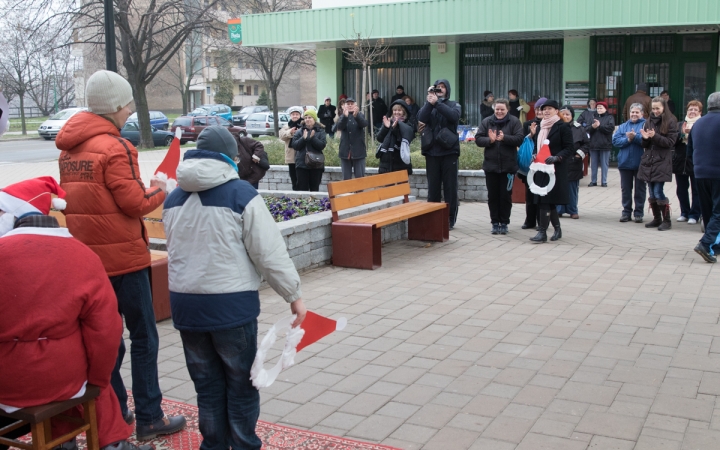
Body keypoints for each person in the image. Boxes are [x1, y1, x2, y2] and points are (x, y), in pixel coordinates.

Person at [55, 70, 186, 441]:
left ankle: (115, 415)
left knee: (105, 342)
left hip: (87, 261)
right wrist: (162, 188)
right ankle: (149, 417)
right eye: (128, 104)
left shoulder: (68, 148)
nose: (130, 110)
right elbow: (134, 204)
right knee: (144, 336)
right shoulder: (117, 147)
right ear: (114, 106)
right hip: (124, 261)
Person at [162, 125, 306, 449]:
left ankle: (213, 445)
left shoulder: (173, 198)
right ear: (232, 157)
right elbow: (268, 253)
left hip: (187, 309)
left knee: (207, 387)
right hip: (231, 308)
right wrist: (293, 295)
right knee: (241, 386)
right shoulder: (241, 194)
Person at [0, 177, 151, 450]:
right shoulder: (82, 256)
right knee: (94, 382)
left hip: (6, 380)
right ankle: (108, 444)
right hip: (61, 378)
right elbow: (106, 330)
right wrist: (98, 378)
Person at [475, 98, 524, 234]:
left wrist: (505, 138)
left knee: (505, 196)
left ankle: (505, 222)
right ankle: (495, 222)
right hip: (491, 166)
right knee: (493, 196)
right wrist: (489, 140)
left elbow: (520, 138)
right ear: (494, 109)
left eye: (502, 109)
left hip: (508, 167)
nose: (499, 111)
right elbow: (478, 139)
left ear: (507, 109)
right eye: (497, 109)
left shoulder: (514, 121)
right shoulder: (486, 122)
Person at [417, 79, 462, 229]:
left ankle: (450, 219)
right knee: (433, 187)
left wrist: (437, 103)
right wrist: (429, 102)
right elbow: (421, 118)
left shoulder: (454, 104)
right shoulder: (429, 105)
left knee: (450, 187)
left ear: (447, 90)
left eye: (442, 88)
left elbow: (453, 117)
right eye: (437, 88)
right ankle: (433, 217)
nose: (439, 90)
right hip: (432, 152)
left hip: (449, 151)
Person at [528, 100, 574, 243]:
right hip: (541, 169)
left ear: (556, 110)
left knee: (546, 200)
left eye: (549, 109)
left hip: (555, 169)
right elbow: (538, 146)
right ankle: (557, 229)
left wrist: (557, 157)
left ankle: (542, 232)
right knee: (546, 200)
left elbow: (569, 148)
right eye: (544, 109)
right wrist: (535, 153)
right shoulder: (541, 126)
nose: (546, 111)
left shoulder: (563, 126)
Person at [638, 96, 679, 231]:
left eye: (658, 108)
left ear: (663, 108)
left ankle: (666, 221)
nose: (655, 111)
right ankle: (657, 219)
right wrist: (644, 139)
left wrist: (654, 136)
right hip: (649, 159)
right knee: (651, 191)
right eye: (653, 108)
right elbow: (646, 143)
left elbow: (670, 143)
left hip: (662, 160)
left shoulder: (671, 121)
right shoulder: (648, 120)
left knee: (658, 191)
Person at [689, 91, 720, 263]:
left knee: (708, 211)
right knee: (719, 212)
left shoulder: (698, 123)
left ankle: (715, 246)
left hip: (700, 172)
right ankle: (706, 243)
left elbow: (690, 149)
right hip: (718, 172)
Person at [612, 103, 648, 223]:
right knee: (626, 189)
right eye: (632, 112)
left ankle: (638, 213)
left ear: (642, 114)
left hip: (641, 163)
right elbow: (615, 141)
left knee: (640, 189)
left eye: (637, 112)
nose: (634, 114)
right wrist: (628, 139)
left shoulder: (646, 125)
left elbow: (647, 141)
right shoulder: (623, 126)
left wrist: (635, 137)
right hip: (625, 163)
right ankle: (626, 212)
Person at [519, 97, 547, 229]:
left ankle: (542, 221)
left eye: (542, 109)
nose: (539, 111)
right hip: (530, 164)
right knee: (529, 194)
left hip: (544, 163)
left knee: (541, 194)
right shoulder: (528, 124)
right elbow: (523, 142)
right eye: (537, 109)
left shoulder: (550, 125)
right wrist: (531, 134)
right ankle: (529, 220)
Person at [556, 105, 589, 219]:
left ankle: (572, 209)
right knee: (559, 186)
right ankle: (559, 209)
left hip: (573, 161)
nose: (565, 116)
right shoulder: (556, 127)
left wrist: (579, 154)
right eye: (563, 114)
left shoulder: (579, 128)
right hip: (559, 160)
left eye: (567, 114)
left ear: (572, 116)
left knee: (572, 187)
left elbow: (587, 144)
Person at [673, 100, 702, 224]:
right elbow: (672, 141)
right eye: (690, 109)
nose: (692, 112)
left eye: (695, 110)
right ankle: (684, 212)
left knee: (696, 190)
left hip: (695, 162)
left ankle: (695, 214)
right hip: (680, 162)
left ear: (700, 112)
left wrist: (691, 135)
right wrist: (681, 134)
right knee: (681, 189)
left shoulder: (701, 125)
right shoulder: (680, 124)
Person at [291, 109, 327, 191]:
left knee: (315, 189)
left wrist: (312, 138)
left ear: (314, 119)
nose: (307, 119)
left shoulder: (320, 131)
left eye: (310, 117)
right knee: (302, 190)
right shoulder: (299, 131)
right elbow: (295, 146)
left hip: (316, 164)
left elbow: (321, 146)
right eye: (306, 117)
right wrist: (303, 139)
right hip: (301, 165)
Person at [376, 99, 415, 175]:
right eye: (395, 110)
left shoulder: (408, 125)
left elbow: (402, 139)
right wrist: (386, 128)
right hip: (386, 163)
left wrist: (394, 129)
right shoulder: (388, 122)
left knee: (401, 187)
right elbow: (379, 138)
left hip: (400, 163)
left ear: (404, 111)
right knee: (387, 187)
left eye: (399, 110)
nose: (396, 112)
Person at [336, 97, 367, 180]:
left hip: (359, 151)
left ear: (356, 105)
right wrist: (345, 117)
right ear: (344, 106)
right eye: (348, 104)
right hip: (345, 152)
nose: (350, 106)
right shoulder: (342, 116)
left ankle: (359, 193)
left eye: (352, 104)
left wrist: (356, 116)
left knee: (360, 180)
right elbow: (339, 127)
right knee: (346, 179)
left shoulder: (360, 115)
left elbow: (364, 124)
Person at [586, 101, 615, 187]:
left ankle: (604, 181)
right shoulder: (592, 117)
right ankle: (593, 181)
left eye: (601, 108)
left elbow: (610, 128)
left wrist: (599, 126)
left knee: (604, 164)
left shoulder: (610, 117)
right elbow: (587, 129)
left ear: (605, 109)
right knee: (593, 164)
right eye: (598, 108)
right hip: (594, 144)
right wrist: (593, 127)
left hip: (605, 144)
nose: (599, 109)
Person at [279, 106, 303, 190]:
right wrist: (290, 132)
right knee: (293, 177)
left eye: (297, 114)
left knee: (302, 177)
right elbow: (281, 136)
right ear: (290, 115)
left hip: (302, 155)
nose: (295, 116)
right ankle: (295, 192)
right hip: (291, 156)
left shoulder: (304, 124)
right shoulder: (287, 126)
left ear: (300, 115)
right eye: (293, 114)